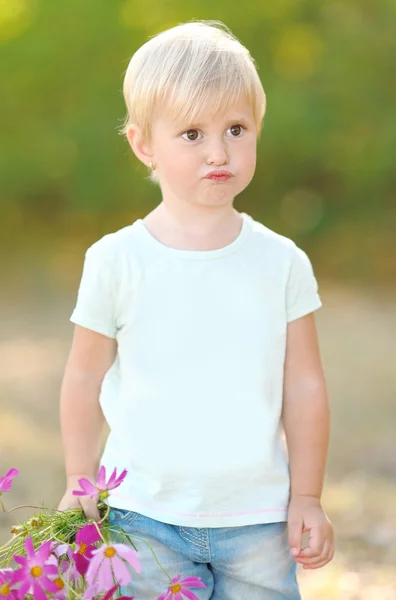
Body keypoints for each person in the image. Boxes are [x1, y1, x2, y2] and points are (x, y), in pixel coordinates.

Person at [57, 20, 334, 599]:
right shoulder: (116, 260)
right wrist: (80, 480)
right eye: (191, 133)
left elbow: (305, 386)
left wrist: (306, 495)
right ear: (143, 145)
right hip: (141, 514)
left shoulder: (281, 262)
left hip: (257, 518)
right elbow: (83, 378)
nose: (218, 151)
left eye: (236, 128)